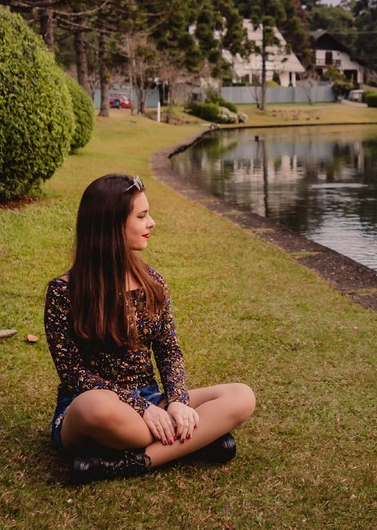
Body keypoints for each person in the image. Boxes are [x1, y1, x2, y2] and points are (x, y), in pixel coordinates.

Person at [44, 173, 256, 484]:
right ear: (111, 226)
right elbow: (74, 374)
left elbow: (169, 351)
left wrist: (178, 401)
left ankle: (134, 461)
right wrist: (140, 407)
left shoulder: (152, 282)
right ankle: (197, 440)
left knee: (241, 396)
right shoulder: (64, 292)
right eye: (142, 216)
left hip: (154, 399)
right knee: (94, 405)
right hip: (95, 408)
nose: (152, 222)